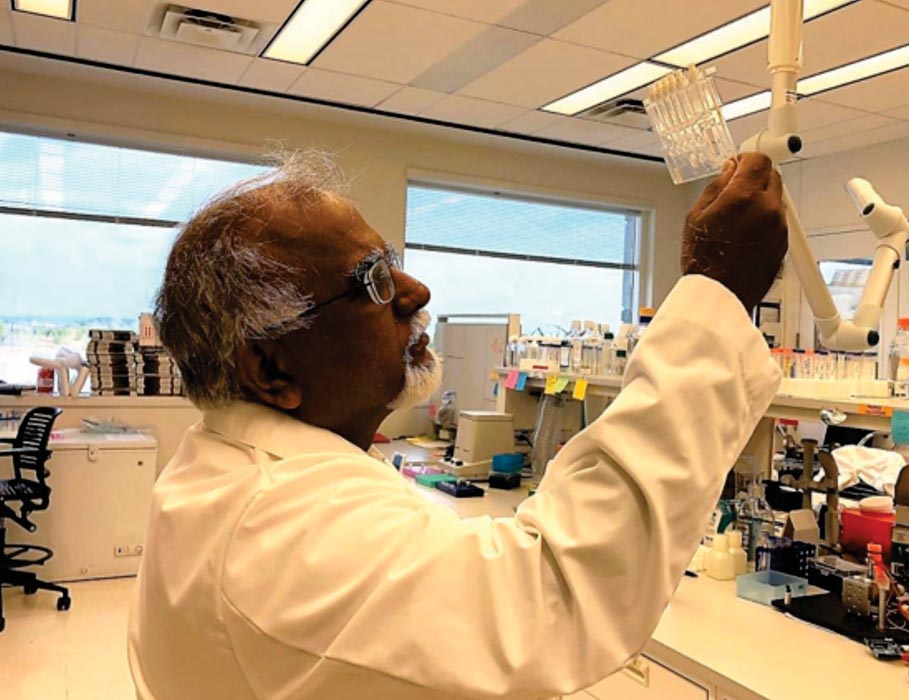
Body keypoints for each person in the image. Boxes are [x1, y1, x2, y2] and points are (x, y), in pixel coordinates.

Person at [128, 150, 788, 699]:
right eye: (372, 280)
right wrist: (718, 290)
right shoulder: (280, 526)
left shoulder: (223, 466)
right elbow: (553, 594)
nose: (416, 293)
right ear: (271, 368)